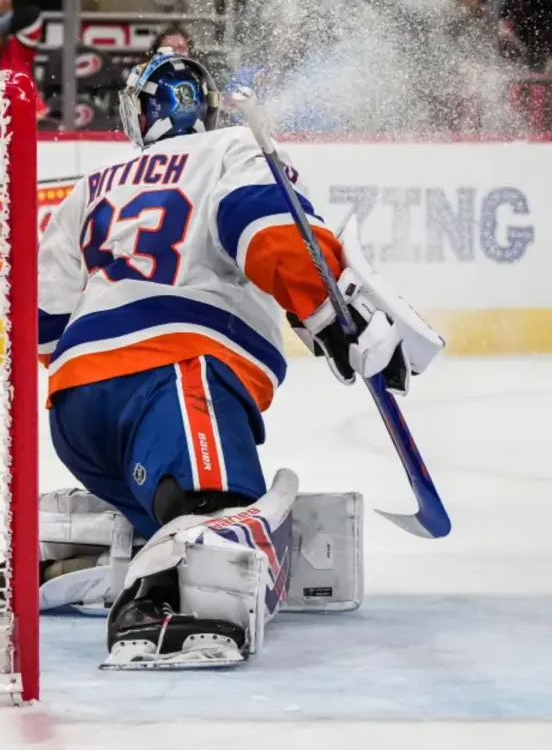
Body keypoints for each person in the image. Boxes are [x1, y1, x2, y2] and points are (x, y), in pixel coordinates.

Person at [35, 54, 443, 666]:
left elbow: (45, 323)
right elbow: (266, 226)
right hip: (175, 377)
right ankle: (163, 601)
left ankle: (99, 541)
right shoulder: (232, 146)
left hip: (76, 407)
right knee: (216, 518)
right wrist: (331, 316)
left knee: (174, 505)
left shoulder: (92, 185)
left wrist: (101, 374)